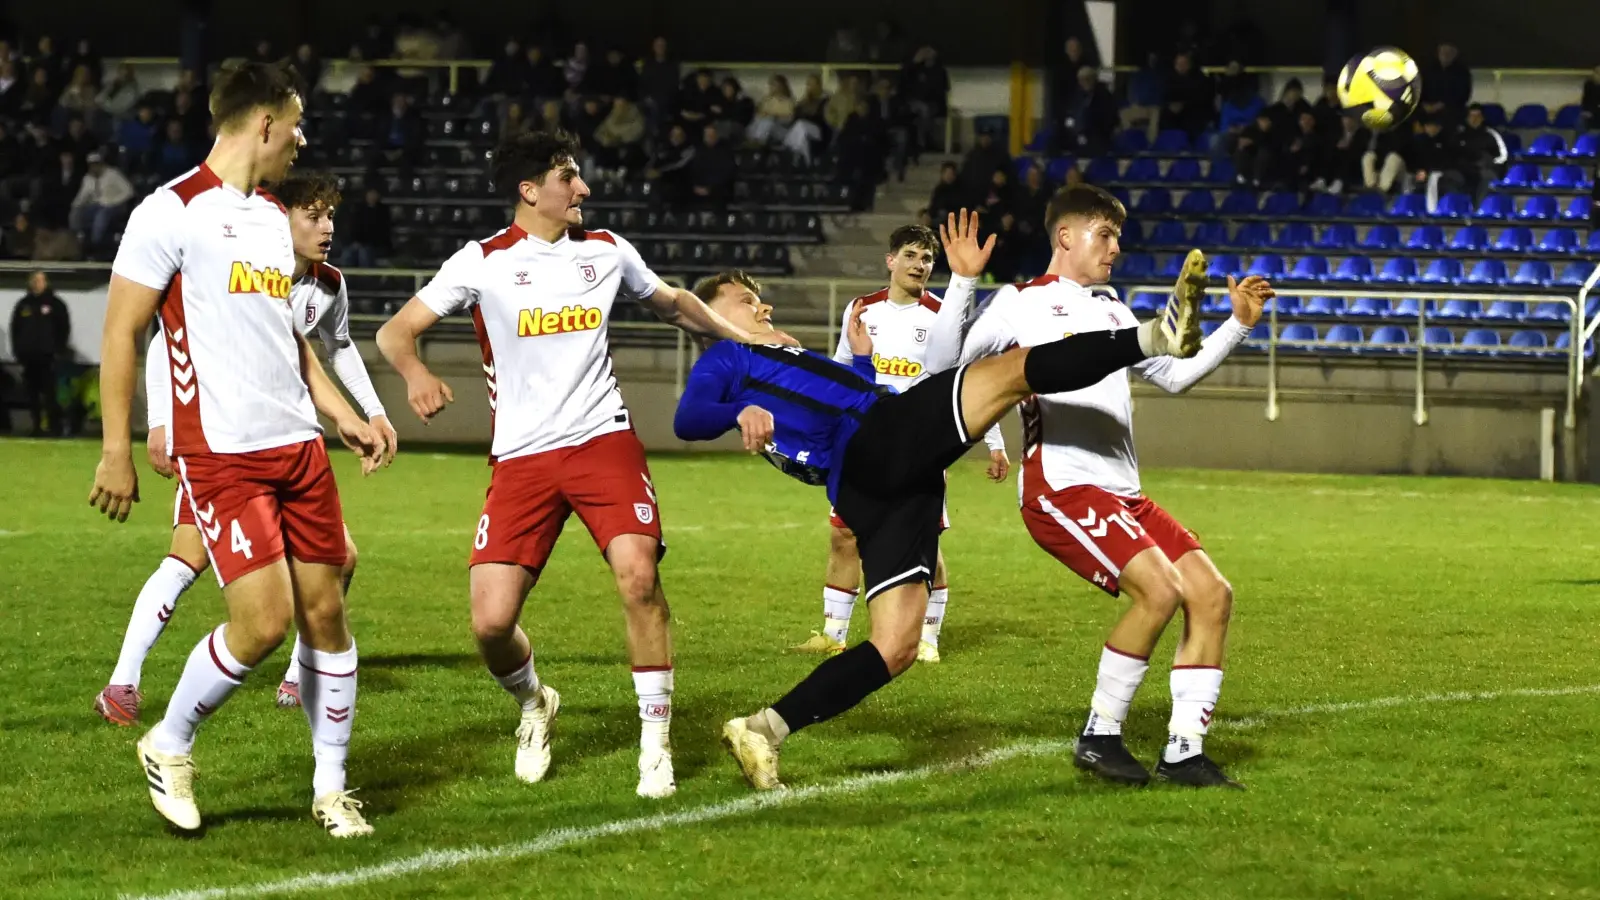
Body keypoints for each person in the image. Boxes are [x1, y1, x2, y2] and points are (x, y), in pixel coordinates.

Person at [675, 207, 1207, 790]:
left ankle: (763, 729)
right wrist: (739, 410)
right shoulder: (727, 358)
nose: (764, 308)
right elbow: (688, 418)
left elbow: (832, 405)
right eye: (746, 302)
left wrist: (860, 362)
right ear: (708, 316)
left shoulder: (785, 352)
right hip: (879, 442)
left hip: (879, 484)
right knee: (1013, 370)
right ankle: (1154, 336)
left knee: (896, 646)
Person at [373, 129, 755, 800]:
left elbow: (673, 304)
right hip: (522, 458)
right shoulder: (481, 261)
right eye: (568, 177)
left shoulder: (606, 250)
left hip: (603, 442)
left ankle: (655, 744)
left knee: (639, 578)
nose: (583, 188)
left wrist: (748, 341)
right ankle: (534, 702)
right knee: (491, 624)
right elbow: (394, 331)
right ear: (529, 190)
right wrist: (415, 374)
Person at [88, 60, 383, 838]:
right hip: (222, 455)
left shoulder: (272, 219)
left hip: (299, 451)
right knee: (262, 624)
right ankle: (170, 740)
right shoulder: (170, 211)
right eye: (297, 125)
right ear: (264, 123)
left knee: (327, 613)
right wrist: (117, 447)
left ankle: (331, 789)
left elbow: (289, 337)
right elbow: (120, 333)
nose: (302, 139)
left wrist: (343, 414)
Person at [959, 185, 1274, 790]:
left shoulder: (1114, 310)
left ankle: (1184, 752)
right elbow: (955, 368)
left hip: (1123, 492)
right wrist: (962, 287)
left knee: (1212, 594)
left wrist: (1236, 325)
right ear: (1065, 236)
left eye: (1117, 236)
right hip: (1061, 488)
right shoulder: (1018, 303)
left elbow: (1176, 376)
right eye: (1104, 234)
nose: (1115, 248)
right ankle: (1100, 736)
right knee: (1160, 591)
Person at [95, 170, 398, 727]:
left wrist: (372, 411)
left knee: (342, 559)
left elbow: (336, 346)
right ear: (281, 219)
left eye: (331, 216)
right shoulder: (237, 263)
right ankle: (123, 683)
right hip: (220, 440)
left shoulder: (328, 284)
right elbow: (165, 338)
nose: (327, 228)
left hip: (286, 444)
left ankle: (299, 674)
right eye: (313, 216)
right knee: (187, 558)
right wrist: (160, 421)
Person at [792, 225, 1008, 663]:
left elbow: (967, 381)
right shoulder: (862, 308)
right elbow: (842, 365)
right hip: (862, 442)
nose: (919, 265)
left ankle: (928, 638)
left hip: (919, 444)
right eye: (911, 255)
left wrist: (995, 442)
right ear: (891, 260)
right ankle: (833, 635)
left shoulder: (943, 316)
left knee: (924, 541)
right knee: (844, 534)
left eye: (927, 259)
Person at [9, 270, 71, 435]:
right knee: (32, 394)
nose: (37, 283)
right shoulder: (23, 305)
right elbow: (15, 329)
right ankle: (36, 426)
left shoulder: (55, 304)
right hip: (29, 358)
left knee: (50, 394)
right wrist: (18, 352)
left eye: (40, 280)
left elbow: (63, 329)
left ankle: (54, 426)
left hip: (48, 358)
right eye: (34, 280)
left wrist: (58, 350)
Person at [68, 151, 134, 254]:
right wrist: (75, 206)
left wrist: (112, 202)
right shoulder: (88, 178)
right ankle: (78, 240)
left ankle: (97, 243)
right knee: (77, 212)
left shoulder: (113, 174)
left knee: (101, 215)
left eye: (96, 164)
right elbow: (82, 196)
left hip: (115, 206)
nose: (94, 167)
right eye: (91, 165)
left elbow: (129, 191)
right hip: (96, 205)